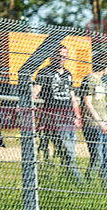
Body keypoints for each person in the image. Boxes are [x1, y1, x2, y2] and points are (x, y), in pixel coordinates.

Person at [33, 45, 84, 184]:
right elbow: (36, 89)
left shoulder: (68, 74)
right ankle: (79, 183)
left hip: (69, 117)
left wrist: (78, 116)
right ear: (53, 56)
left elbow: (72, 97)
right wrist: (32, 97)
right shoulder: (45, 72)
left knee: (69, 150)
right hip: (55, 117)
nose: (62, 58)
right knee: (67, 151)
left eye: (65, 56)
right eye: (60, 55)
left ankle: (68, 179)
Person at [80, 51, 107, 187]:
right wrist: (100, 123)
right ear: (106, 65)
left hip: (102, 124)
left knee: (106, 156)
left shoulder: (99, 81)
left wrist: (106, 122)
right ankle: (88, 184)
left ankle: (104, 185)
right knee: (97, 156)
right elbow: (87, 103)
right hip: (92, 124)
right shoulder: (89, 79)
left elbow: (100, 104)